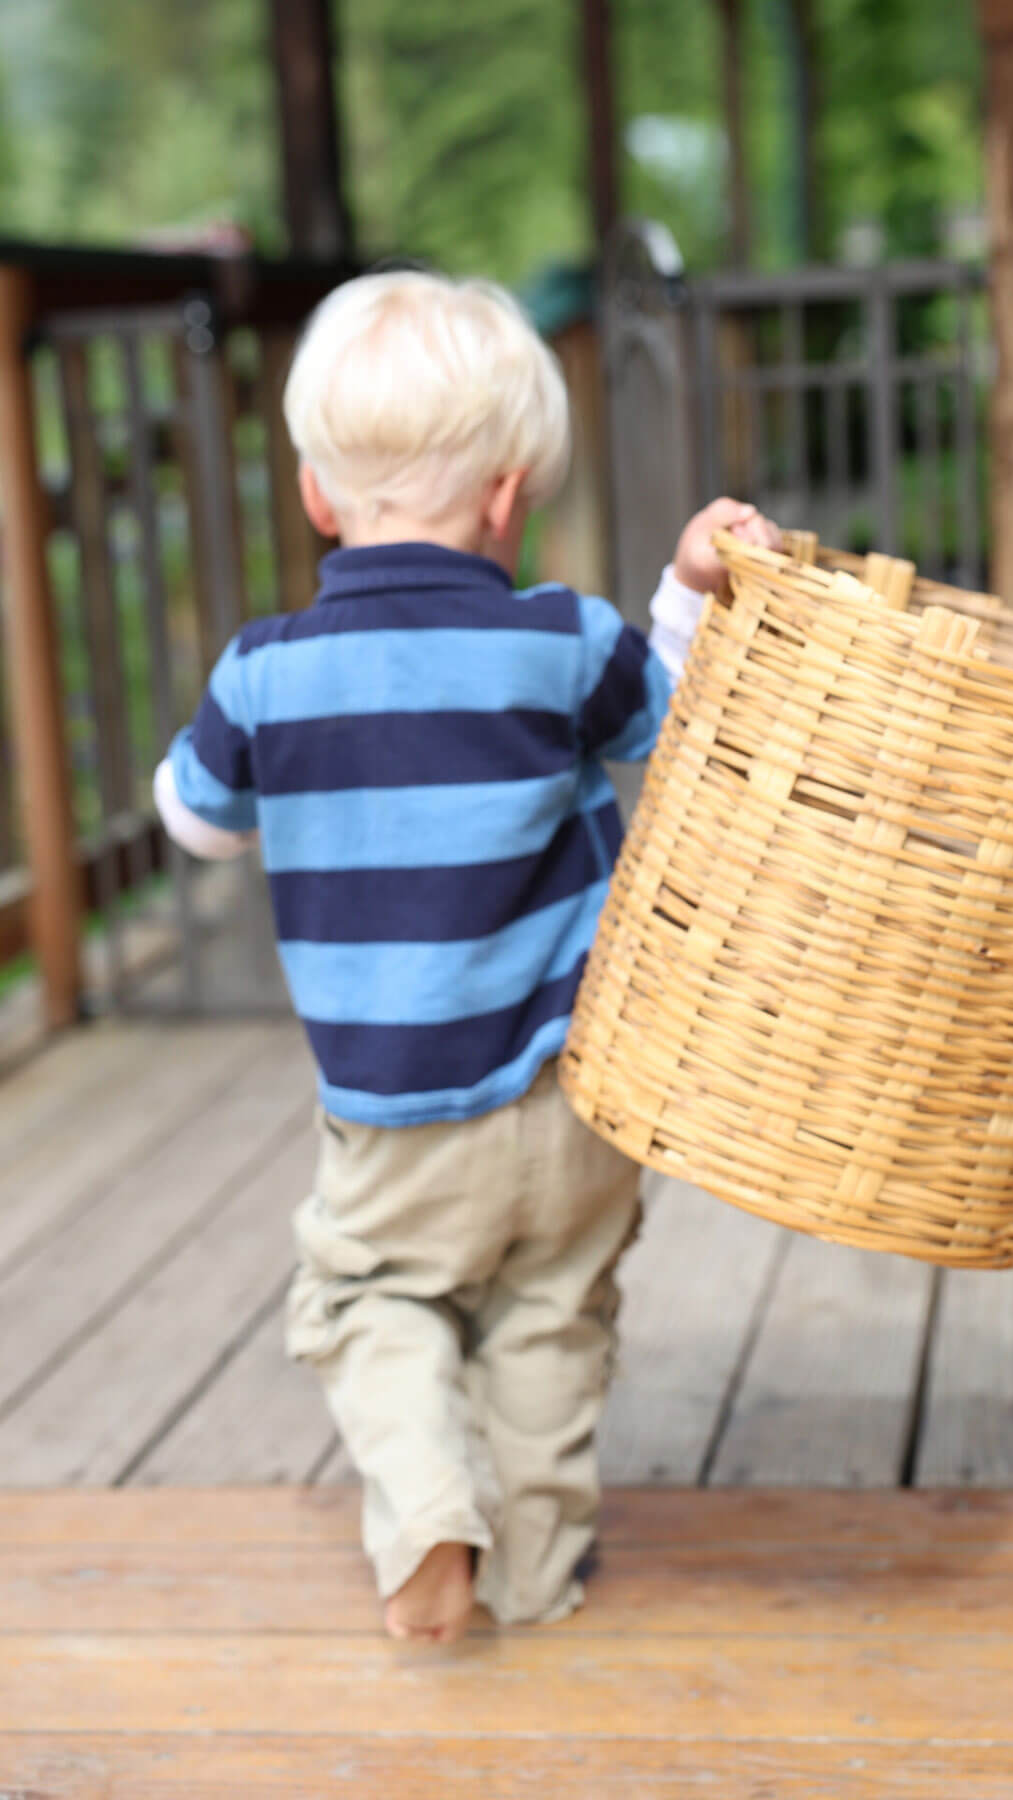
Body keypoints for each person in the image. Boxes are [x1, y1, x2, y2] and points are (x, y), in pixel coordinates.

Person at [154, 270, 780, 1645]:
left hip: (394, 1123)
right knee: (554, 1323)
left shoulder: (267, 673)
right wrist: (684, 588)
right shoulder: (563, 639)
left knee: (368, 1298)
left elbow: (195, 820)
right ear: (511, 497)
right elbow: (677, 739)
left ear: (321, 497)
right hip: (572, 1106)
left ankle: (433, 1508)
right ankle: (539, 1577)